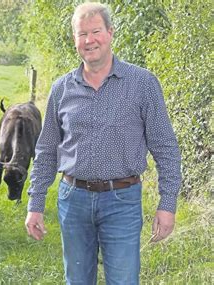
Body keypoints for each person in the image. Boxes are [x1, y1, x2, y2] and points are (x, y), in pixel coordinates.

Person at [24, 2, 181, 284]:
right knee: (78, 280)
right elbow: (47, 150)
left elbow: (166, 147)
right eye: (82, 34)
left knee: (123, 280)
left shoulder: (142, 83)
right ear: (75, 40)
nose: (89, 40)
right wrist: (35, 203)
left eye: (95, 31)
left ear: (110, 32)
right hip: (73, 201)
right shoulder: (61, 89)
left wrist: (167, 204)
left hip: (122, 201)